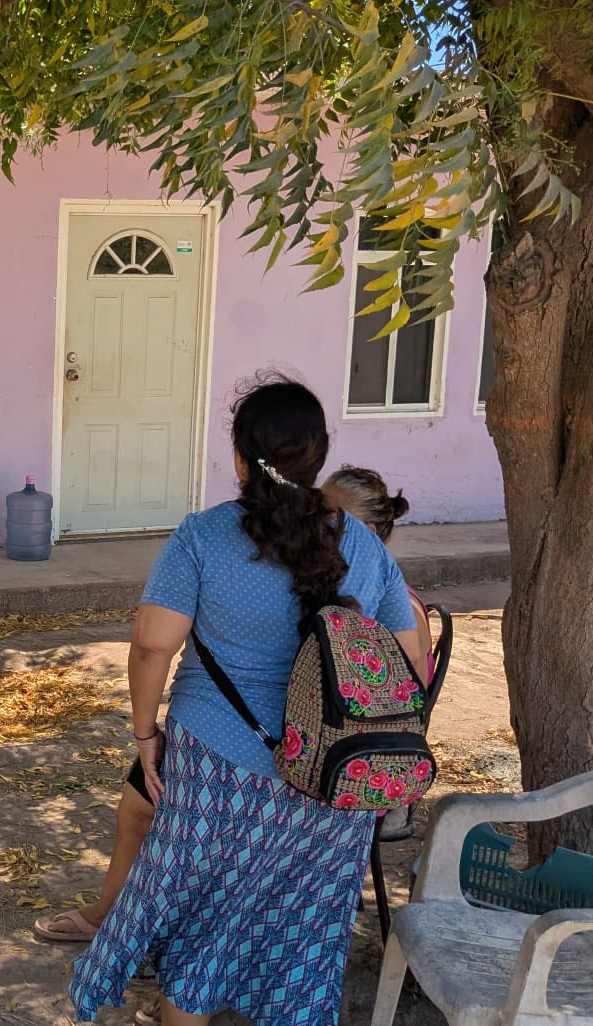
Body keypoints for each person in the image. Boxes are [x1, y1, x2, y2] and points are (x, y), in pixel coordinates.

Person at [68, 375, 423, 1026]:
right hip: (330, 781)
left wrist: (146, 734)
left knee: (205, 932)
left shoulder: (203, 537)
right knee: (305, 941)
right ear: (317, 457)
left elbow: (152, 646)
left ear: (240, 457)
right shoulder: (366, 547)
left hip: (219, 767)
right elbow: (409, 662)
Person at [35, 463, 433, 948]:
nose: (313, 517)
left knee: (200, 841)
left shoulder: (385, 590)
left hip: (330, 764)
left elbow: (405, 685)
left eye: (329, 514)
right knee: (140, 803)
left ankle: (174, 962)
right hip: (276, 746)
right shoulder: (300, 564)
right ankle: (116, 919)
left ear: (365, 532)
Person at [322, 466, 434, 681]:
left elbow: (411, 690)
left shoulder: (401, 603)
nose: (316, 526)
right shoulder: (343, 583)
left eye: (331, 520)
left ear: (368, 536)